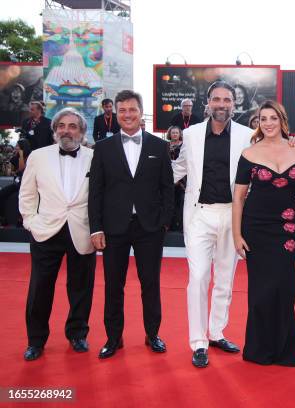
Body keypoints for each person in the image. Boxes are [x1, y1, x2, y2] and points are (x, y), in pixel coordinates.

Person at [88, 90, 174, 359]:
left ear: (140, 112)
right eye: (122, 110)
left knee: (151, 283)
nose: (127, 115)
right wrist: (96, 227)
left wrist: (163, 222)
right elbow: (96, 191)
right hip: (113, 228)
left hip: (149, 228)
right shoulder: (102, 148)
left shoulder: (159, 147)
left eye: (132, 110)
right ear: (114, 113)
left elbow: (167, 188)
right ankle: (114, 338)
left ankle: (153, 334)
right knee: (114, 285)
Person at [172, 81, 252, 368]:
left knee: (225, 279)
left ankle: (216, 332)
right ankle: (198, 341)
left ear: (234, 104)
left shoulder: (247, 135)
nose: (221, 104)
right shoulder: (191, 134)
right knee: (198, 277)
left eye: (227, 99)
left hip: (232, 214)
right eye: (216, 99)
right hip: (199, 215)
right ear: (207, 102)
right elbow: (179, 168)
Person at [232, 100, 295, 366]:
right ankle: (259, 350)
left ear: (282, 120)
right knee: (260, 290)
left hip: (286, 229)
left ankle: (284, 350)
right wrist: (236, 234)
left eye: (272, 118)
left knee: (284, 287)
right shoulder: (249, 153)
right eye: (262, 119)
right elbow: (239, 198)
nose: (267, 123)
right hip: (255, 229)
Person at [19, 108, 96, 361]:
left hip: (81, 230)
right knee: (40, 287)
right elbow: (27, 193)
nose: (66, 130)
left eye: (73, 126)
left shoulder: (94, 157)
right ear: (54, 131)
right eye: (61, 125)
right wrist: (30, 221)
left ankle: (77, 334)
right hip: (46, 230)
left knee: (81, 287)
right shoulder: (38, 157)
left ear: (82, 132)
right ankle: (36, 340)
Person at [0, 139, 31, 223]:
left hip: (26, 184)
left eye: (18, 146)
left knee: (20, 198)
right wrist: (7, 167)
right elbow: (9, 172)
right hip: (17, 184)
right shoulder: (15, 157)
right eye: (16, 146)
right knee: (2, 193)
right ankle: (3, 217)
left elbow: (21, 168)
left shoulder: (30, 157)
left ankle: (21, 219)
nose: (16, 148)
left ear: (22, 147)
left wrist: (21, 156)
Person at [167, 126, 185, 231]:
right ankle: (169, 225)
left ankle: (180, 226)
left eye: (176, 133)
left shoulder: (184, 146)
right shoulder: (166, 145)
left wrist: (178, 179)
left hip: (182, 179)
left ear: (179, 134)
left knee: (180, 203)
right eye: (173, 133)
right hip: (168, 177)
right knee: (170, 202)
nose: (174, 134)